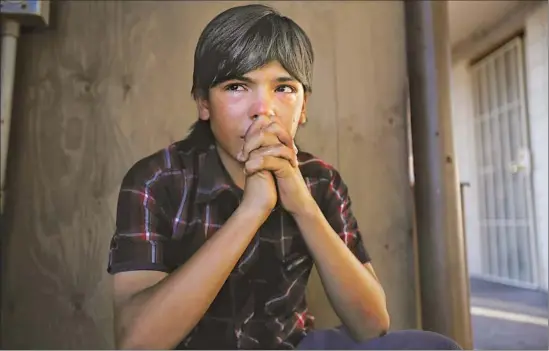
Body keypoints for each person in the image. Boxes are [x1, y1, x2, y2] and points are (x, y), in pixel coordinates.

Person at [107, 4, 462, 350]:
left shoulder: (321, 181)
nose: (263, 109)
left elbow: (372, 324)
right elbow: (138, 341)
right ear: (203, 103)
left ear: (303, 107)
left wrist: (302, 206)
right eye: (236, 87)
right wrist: (252, 211)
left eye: (284, 88)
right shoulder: (157, 179)